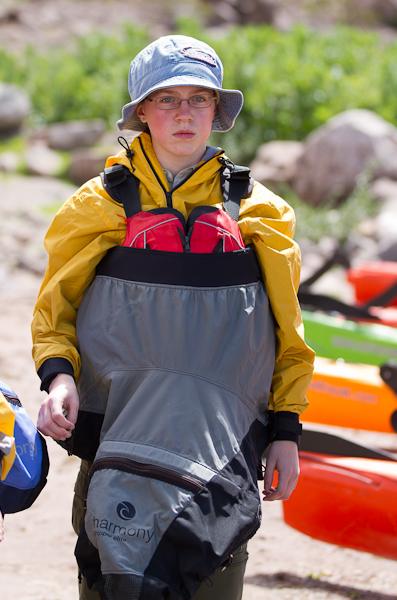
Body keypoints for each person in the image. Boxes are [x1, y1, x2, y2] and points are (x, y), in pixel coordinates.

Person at [32, 34, 315, 600]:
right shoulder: (97, 205)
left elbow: (287, 334)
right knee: (113, 579)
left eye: (200, 99)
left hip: (221, 446)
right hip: (118, 434)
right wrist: (59, 376)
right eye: (167, 99)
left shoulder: (262, 211)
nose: (185, 113)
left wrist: (286, 429)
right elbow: (55, 308)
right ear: (142, 111)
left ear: (218, 111)